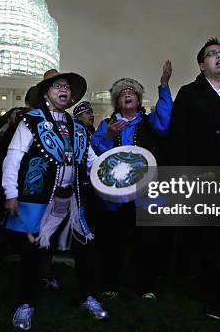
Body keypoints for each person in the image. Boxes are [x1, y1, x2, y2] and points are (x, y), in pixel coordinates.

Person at [2, 69, 108, 330]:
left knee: (85, 249)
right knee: (31, 253)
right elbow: (13, 156)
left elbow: (93, 161)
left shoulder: (79, 128)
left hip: (72, 200)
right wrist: (10, 193)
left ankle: (89, 297)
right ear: (46, 93)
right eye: (58, 86)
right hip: (37, 199)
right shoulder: (31, 121)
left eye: (67, 88)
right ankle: (25, 305)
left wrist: (118, 173)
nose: (64, 90)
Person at [169, 37, 220, 325]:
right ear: (201, 64)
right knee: (209, 242)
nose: (219, 57)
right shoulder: (188, 94)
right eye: (211, 54)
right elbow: (178, 139)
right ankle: (214, 298)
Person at [90, 60, 173, 300]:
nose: (127, 95)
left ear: (138, 100)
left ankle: (146, 285)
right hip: (114, 195)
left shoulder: (150, 122)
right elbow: (95, 151)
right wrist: (108, 135)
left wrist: (164, 86)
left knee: (146, 241)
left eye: (132, 92)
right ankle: (110, 284)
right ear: (116, 102)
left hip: (145, 194)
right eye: (122, 93)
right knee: (112, 240)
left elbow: (166, 120)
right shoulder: (107, 124)